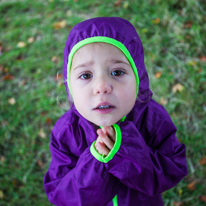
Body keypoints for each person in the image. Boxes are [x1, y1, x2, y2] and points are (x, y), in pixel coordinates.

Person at [43, 17, 188, 206]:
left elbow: (172, 169)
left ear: (139, 77)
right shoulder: (67, 131)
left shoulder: (153, 119)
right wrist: (95, 162)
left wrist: (128, 152)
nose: (102, 86)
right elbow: (61, 195)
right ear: (69, 85)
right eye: (86, 75)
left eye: (117, 72)